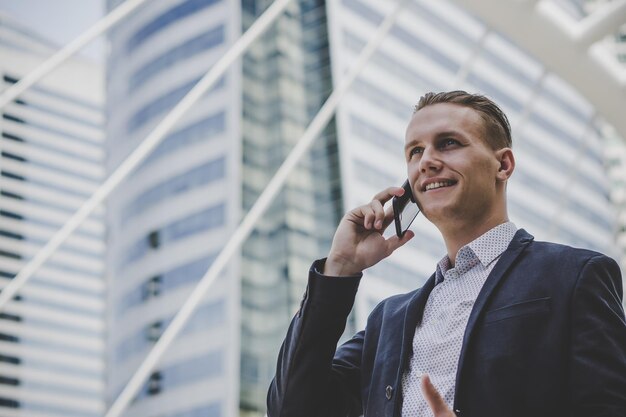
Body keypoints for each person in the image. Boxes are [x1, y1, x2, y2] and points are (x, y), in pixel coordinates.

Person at [266, 91, 626, 417]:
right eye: (415, 152)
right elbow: (292, 409)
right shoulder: (387, 321)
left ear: (503, 165)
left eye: (449, 143)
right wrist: (340, 268)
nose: (427, 162)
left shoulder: (575, 276)